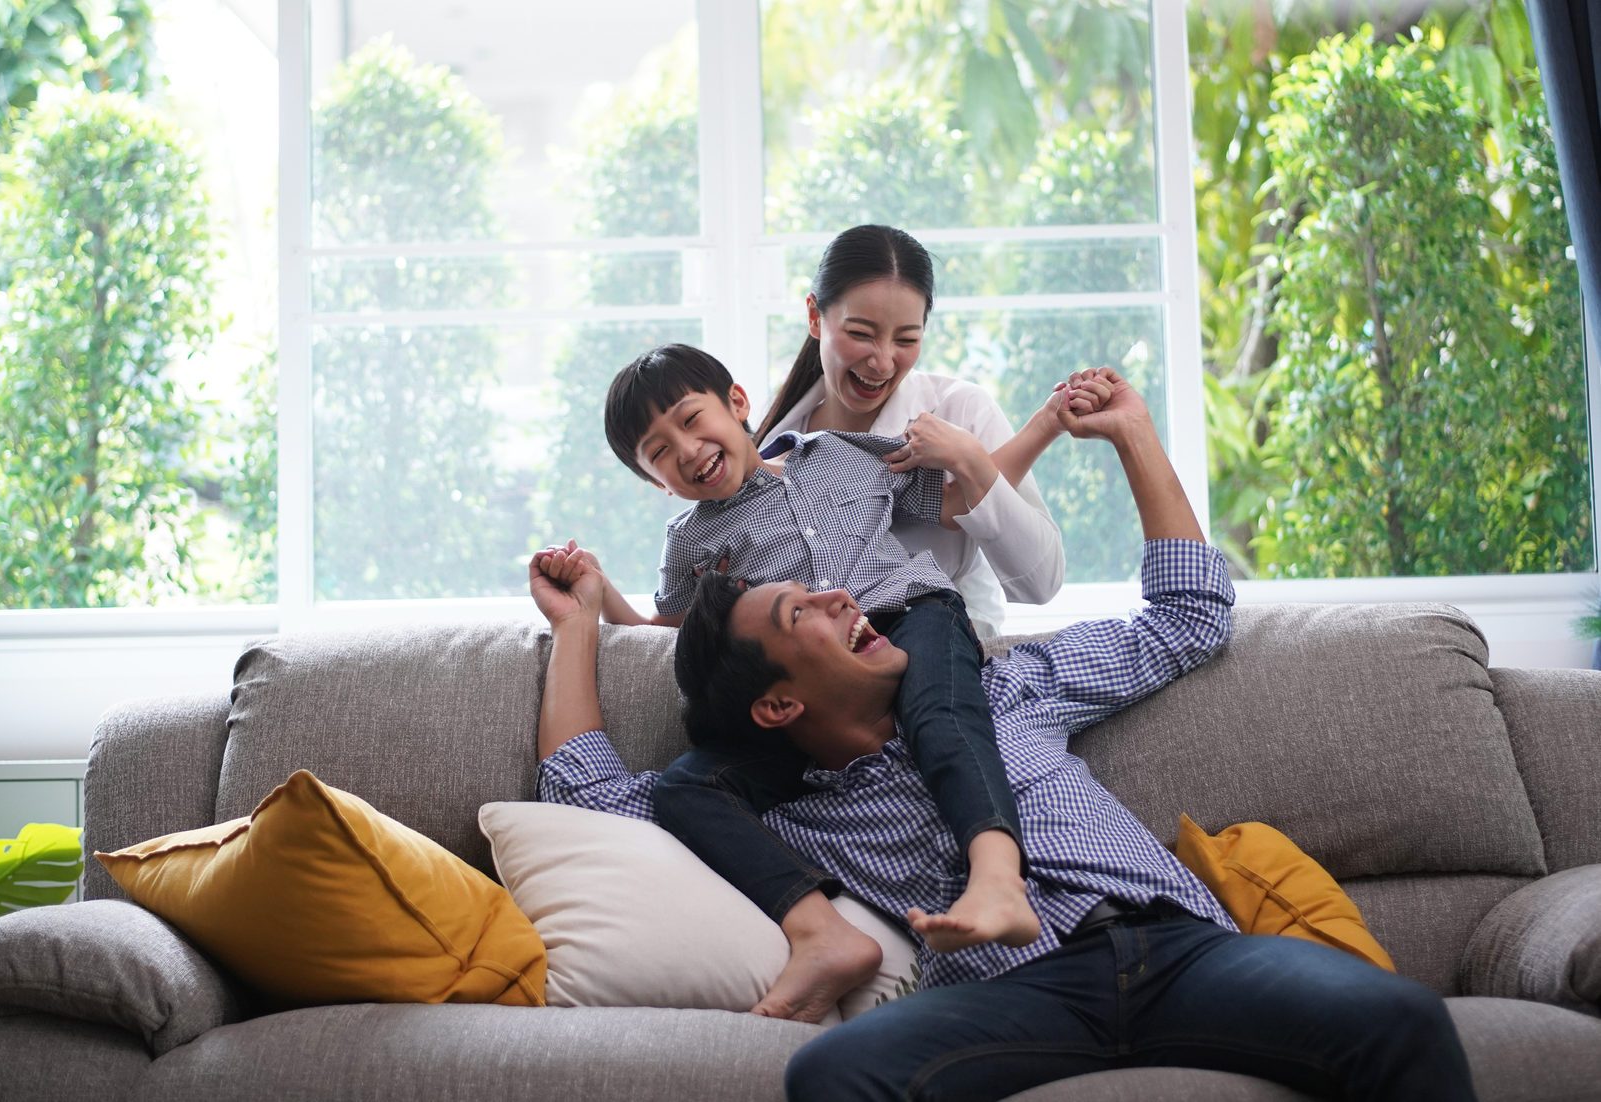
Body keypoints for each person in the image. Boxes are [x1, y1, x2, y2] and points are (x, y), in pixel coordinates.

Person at [528, 368, 1478, 1102]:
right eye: (799, 613)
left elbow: (1188, 617)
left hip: (1178, 949)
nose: (842, 593)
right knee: (830, 1076)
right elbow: (590, 792)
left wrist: (1131, 437)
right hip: (1015, 994)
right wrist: (577, 628)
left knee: (1401, 1021)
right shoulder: (794, 811)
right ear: (776, 706)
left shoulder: (1007, 685)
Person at [562, 343, 1104, 1022]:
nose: (687, 449)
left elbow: (964, 499)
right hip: (810, 686)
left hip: (909, 620)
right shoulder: (689, 545)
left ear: (736, 404)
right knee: (685, 784)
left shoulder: (840, 454)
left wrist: (1047, 423)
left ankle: (996, 879)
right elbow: (667, 635)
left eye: (691, 420)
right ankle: (820, 934)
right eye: (660, 453)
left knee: (939, 715)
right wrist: (598, 593)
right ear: (656, 483)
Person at [758, 223, 1063, 641]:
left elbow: (1040, 582)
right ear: (815, 317)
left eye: (906, 339)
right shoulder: (773, 446)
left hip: (947, 655)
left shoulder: (961, 409)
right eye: (860, 334)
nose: (882, 363)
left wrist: (969, 459)